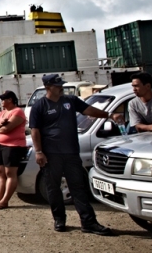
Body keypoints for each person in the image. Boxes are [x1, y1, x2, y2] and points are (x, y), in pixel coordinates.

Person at [29, 73, 115, 235]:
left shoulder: (70, 101)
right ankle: (59, 220)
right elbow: (35, 130)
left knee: (78, 187)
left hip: (71, 153)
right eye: (57, 85)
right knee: (53, 188)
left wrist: (108, 115)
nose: (61, 87)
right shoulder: (40, 106)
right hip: (51, 154)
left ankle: (88, 222)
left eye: (61, 84)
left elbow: (89, 110)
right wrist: (39, 151)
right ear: (48, 87)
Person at [0, 91, 26, 210]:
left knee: (10, 173)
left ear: (10, 100)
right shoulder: (2, 113)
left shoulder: (17, 112)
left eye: (4, 99)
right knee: (0, 173)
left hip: (13, 146)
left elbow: (7, 129)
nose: (2, 101)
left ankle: (5, 200)